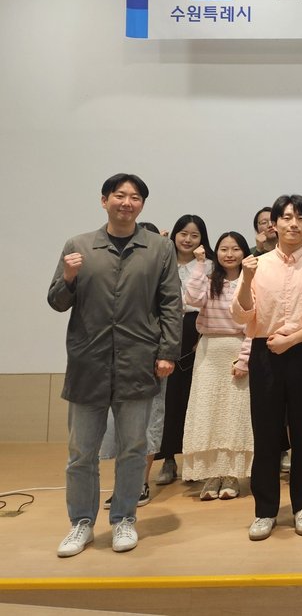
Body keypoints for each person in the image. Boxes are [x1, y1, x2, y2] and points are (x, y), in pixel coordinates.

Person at [47, 173, 182, 557]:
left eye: (135, 197)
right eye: (119, 195)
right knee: (81, 452)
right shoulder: (78, 246)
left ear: (142, 205)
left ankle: (124, 518)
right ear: (104, 200)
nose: (127, 202)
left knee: (133, 448)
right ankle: (81, 523)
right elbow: (57, 301)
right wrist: (69, 277)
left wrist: (167, 352)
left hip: (138, 361)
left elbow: (171, 303)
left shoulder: (159, 248)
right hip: (88, 363)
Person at [232, 194, 302, 541]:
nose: (294, 224)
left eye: (301, 218)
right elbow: (242, 315)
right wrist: (246, 279)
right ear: (274, 224)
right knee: (265, 434)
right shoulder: (257, 265)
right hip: (265, 351)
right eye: (287, 217)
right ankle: (265, 510)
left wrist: (292, 339)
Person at [180, 231, 254, 502]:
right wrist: (200, 264)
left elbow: (254, 324)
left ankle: (232, 475)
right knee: (207, 413)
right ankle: (211, 474)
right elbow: (191, 298)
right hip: (208, 352)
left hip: (236, 350)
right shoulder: (209, 280)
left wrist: (244, 359)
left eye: (235, 249)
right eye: (224, 249)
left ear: (244, 253)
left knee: (234, 416)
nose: (229, 254)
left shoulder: (250, 282)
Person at [155, 215, 212, 488]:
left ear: (202, 239)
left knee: (194, 399)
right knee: (168, 399)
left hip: (196, 330)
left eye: (194, 235)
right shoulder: (161, 261)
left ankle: (194, 460)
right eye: (183, 233)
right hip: (165, 330)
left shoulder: (210, 265)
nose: (188, 239)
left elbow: (212, 303)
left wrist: (203, 335)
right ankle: (168, 458)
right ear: (175, 235)